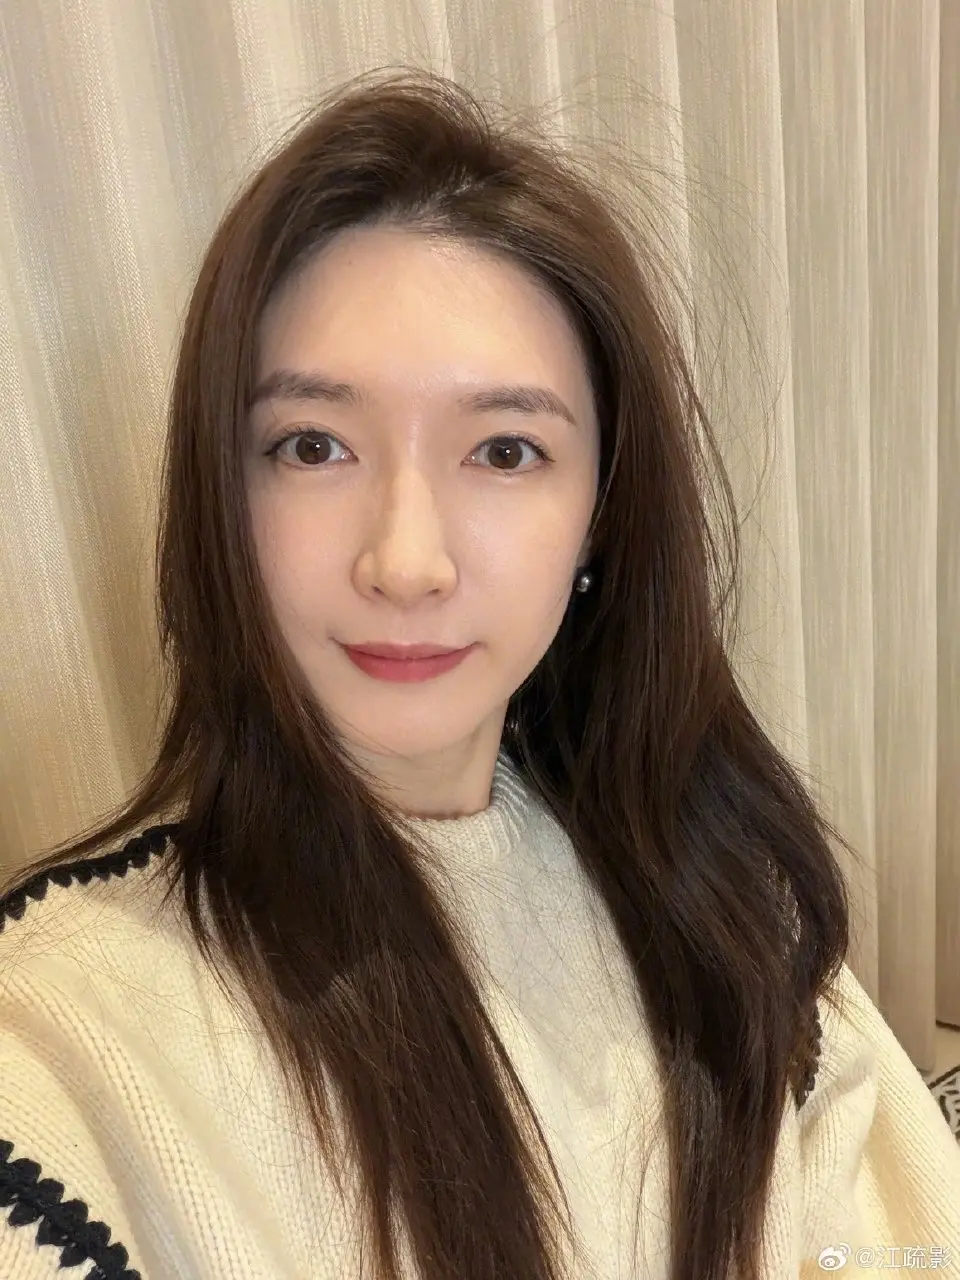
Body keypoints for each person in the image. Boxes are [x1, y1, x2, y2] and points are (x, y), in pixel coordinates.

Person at [0, 67, 957, 1280]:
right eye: (312, 445)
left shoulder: (713, 893)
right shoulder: (59, 1036)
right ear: (220, 495)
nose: (405, 561)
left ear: (602, 513)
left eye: (505, 450)